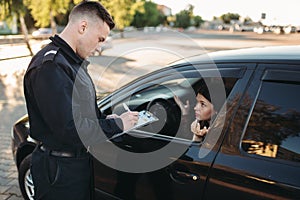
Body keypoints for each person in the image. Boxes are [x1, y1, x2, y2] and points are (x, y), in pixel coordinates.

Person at [23, 1, 139, 199]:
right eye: (100, 39)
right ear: (83, 27)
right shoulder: (51, 67)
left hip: (75, 165)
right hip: (58, 172)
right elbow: (71, 130)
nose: (100, 46)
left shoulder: (71, 62)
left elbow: (84, 110)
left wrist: (107, 120)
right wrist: (118, 125)